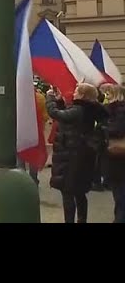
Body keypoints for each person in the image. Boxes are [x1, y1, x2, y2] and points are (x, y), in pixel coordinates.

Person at [46, 82, 109, 223]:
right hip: (83, 155)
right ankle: (82, 220)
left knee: (68, 192)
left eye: (76, 91)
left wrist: (50, 99)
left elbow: (57, 114)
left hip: (71, 157)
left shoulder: (79, 109)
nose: (74, 93)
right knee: (79, 192)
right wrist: (60, 102)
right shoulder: (89, 109)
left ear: (82, 95)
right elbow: (69, 118)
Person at [104, 84, 125, 223]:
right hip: (117, 158)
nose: (106, 96)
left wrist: (102, 128)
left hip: (119, 158)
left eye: (108, 94)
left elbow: (116, 130)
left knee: (120, 194)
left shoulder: (119, 111)